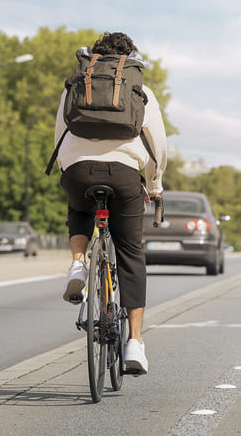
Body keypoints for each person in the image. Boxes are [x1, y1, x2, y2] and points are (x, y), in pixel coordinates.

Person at [52, 32, 167, 374]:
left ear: (96, 56)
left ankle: (77, 264)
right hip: (124, 174)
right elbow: (157, 146)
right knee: (131, 253)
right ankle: (135, 343)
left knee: (78, 207)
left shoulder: (76, 83)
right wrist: (155, 184)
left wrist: (69, 169)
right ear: (128, 58)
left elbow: (60, 132)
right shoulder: (140, 89)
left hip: (78, 169)